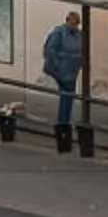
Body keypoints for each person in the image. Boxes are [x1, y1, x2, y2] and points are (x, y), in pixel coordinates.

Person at [41, 9, 84, 146]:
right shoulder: (59, 33)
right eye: (73, 23)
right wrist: (59, 65)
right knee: (66, 95)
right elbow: (50, 50)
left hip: (71, 71)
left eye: (77, 24)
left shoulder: (79, 35)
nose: (75, 26)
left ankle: (64, 122)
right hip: (62, 71)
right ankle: (62, 122)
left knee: (69, 96)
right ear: (67, 21)